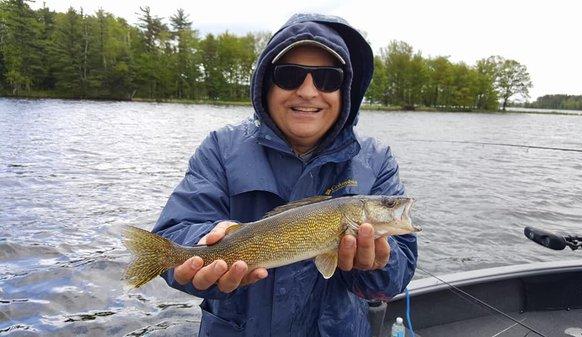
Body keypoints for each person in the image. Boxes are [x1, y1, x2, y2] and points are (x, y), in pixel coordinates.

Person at [152, 13, 418, 337]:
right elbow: (175, 233)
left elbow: (394, 277)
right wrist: (204, 241)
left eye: (327, 79)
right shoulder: (220, 149)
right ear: (266, 83)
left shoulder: (376, 161)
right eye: (289, 75)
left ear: (344, 91)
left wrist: (378, 264)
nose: (308, 91)